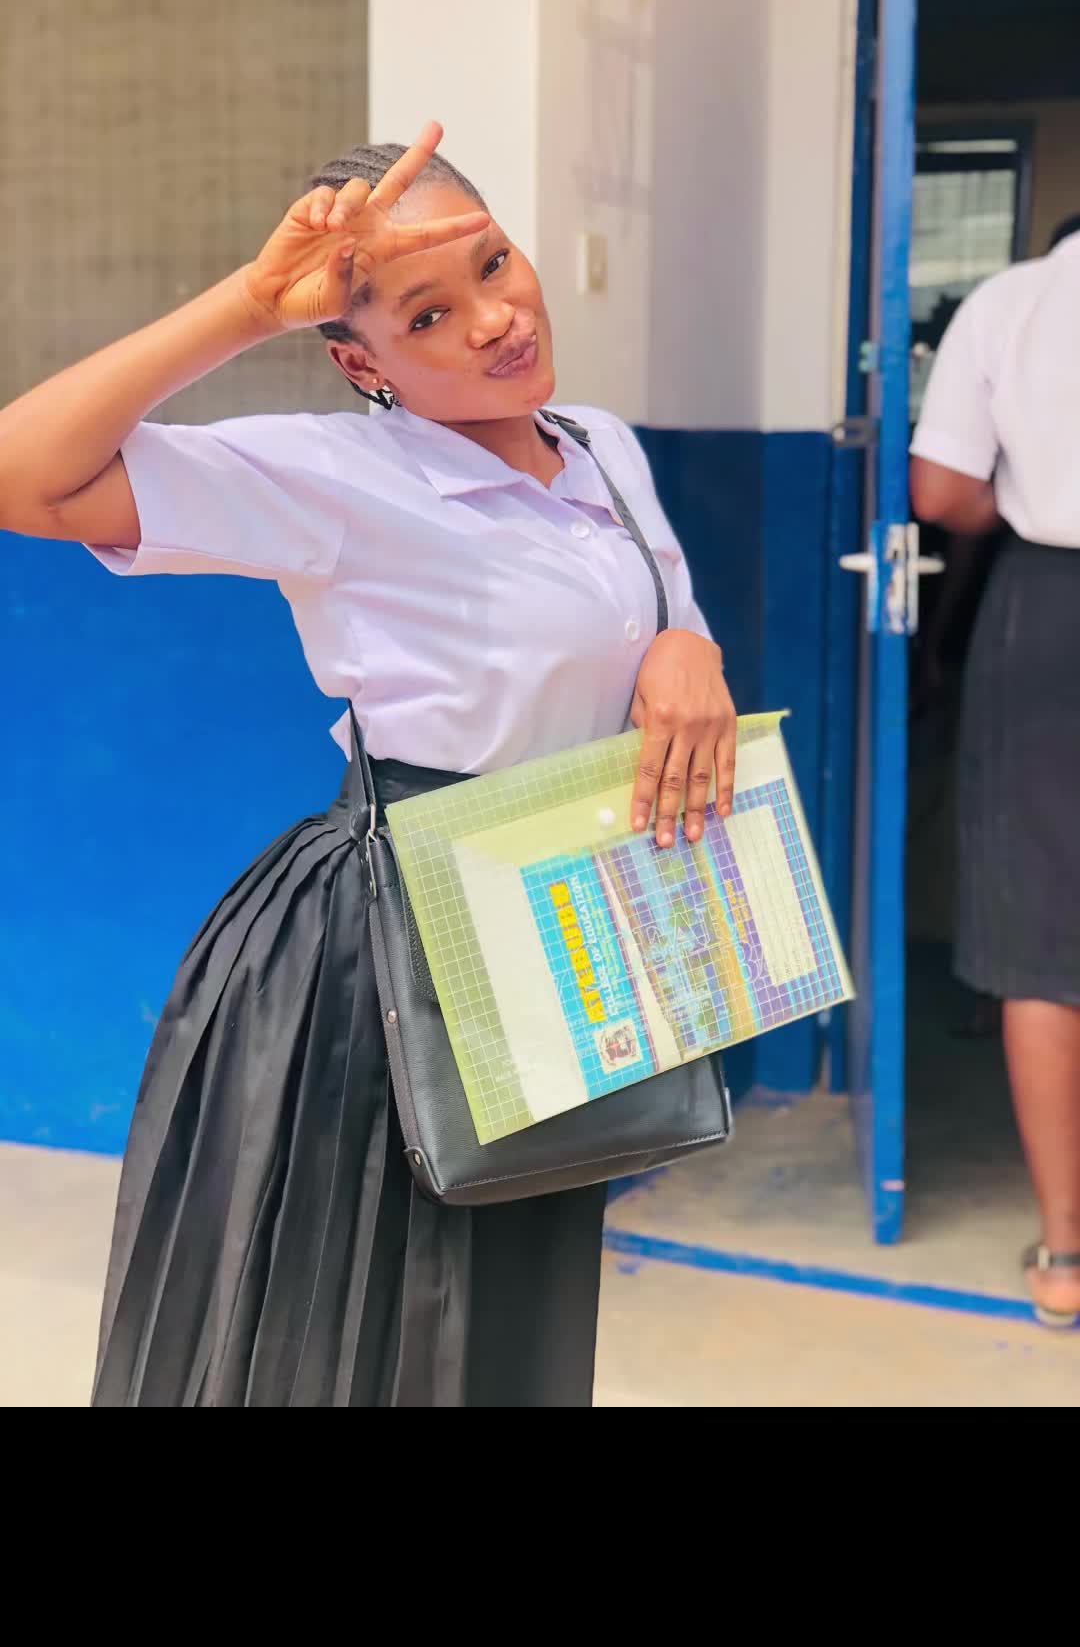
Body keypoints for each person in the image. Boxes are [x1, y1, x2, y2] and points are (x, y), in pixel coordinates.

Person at [0, 124, 736, 1406]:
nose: (496, 321)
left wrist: (689, 646)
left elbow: (655, 631)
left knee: (513, 1314)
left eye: (493, 265)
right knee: (378, 1328)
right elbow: (27, 478)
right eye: (428, 315)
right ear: (360, 362)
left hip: (566, 926)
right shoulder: (337, 473)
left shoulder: (603, 447)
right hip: (393, 951)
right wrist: (247, 307)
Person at [910, 214, 1080, 1329]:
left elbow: (941, 495)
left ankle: (1066, 1253)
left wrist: (1023, 493)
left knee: (1044, 941)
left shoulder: (1016, 302)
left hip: (1052, 609)